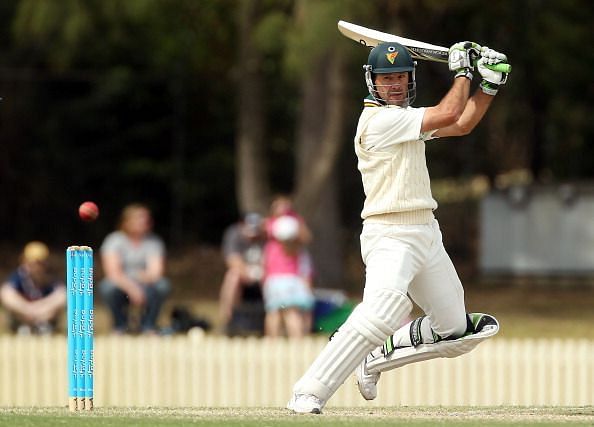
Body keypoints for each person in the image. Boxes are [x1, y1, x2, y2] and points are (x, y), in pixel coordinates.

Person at [287, 42, 508, 413]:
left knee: (456, 330)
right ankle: (308, 392)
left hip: (426, 233)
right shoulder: (378, 121)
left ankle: (373, 356)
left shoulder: (407, 119)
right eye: (386, 78)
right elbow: (450, 109)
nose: (394, 85)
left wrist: (489, 86)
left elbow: (462, 122)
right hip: (389, 234)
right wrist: (464, 72)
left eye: (400, 77)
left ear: (411, 79)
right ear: (372, 82)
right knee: (383, 309)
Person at [99, 203, 170, 334]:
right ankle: (120, 326)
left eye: (146, 219)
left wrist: (140, 281)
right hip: (121, 285)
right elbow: (113, 273)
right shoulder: (114, 240)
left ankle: (148, 326)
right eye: (139, 219)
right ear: (127, 222)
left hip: (145, 284)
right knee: (107, 287)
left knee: (162, 285)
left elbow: (155, 272)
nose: (144, 222)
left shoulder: (154, 242)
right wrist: (132, 287)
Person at [262, 195, 315, 338]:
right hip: (287, 279)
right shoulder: (292, 230)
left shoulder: (274, 230)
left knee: (276, 313)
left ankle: (273, 344)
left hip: (277, 279)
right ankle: (296, 343)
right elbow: (306, 237)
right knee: (289, 313)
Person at [0, 241, 66, 334]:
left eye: (39, 263)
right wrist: (28, 309)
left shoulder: (50, 278)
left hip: (46, 318)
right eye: (31, 262)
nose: (35, 266)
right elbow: (6, 293)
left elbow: (61, 295)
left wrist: (39, 309)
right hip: (22, 318)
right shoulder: (18, 276)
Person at [218, 212, 267, 336]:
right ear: (241, 225)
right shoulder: (233, 234)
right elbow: (232, 261)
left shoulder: (267, 235)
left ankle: (272, 324)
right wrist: (248, 274)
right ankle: (227, 321)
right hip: (243, 276)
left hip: (264, 275)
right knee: (232, 277)